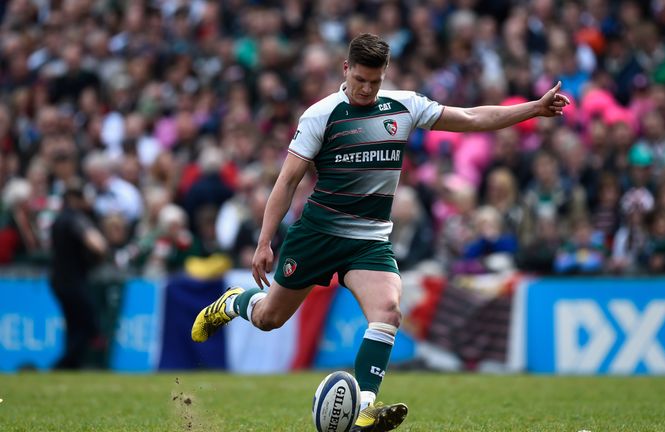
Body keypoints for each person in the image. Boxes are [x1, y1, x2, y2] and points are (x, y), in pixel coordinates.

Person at [191, 33, 569, 432]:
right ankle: (233, 302)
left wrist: (532, 109)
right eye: (360, 80)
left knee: (388, 311)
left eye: (375, 81)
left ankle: (366, 407)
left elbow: (472, 118)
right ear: (346, 69)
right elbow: (286, 182)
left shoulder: (403, 106)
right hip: (317, 234)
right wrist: (265, 240)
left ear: (385, 74)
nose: (367, 89)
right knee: (269, 317)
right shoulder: (321, 115)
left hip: (369, 239)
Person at [50, 179, 108, 369]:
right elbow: (97, 244)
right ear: (75, 199)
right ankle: (64, 364)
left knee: (74, 323)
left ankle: (71, 364)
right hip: (73, 279)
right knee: (88, 321)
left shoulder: (58, 219)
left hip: (58, 279)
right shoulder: (74, 218)